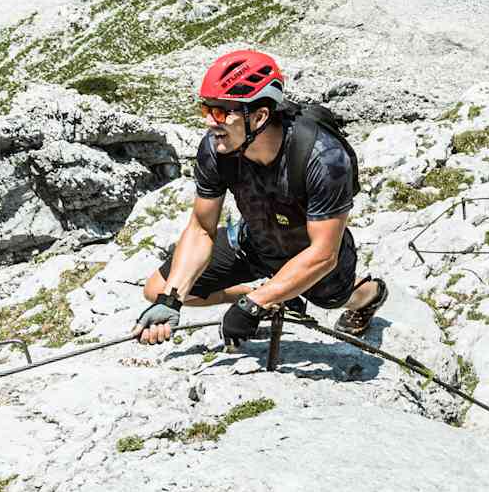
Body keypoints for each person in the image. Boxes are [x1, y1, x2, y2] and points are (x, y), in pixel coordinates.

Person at [135, 49, 387, 352]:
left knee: (334, 299)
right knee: (156, 289)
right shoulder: (217, 149)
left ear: (259, 116)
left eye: (220, 112)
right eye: (206, 110)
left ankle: (371, 294)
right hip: (255, 241)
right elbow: (202, 228)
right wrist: (171, 299)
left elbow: (323, 254)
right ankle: (273, 291)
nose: (209, 123)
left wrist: (255, 304)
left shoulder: (323, 158)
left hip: (312, 255)